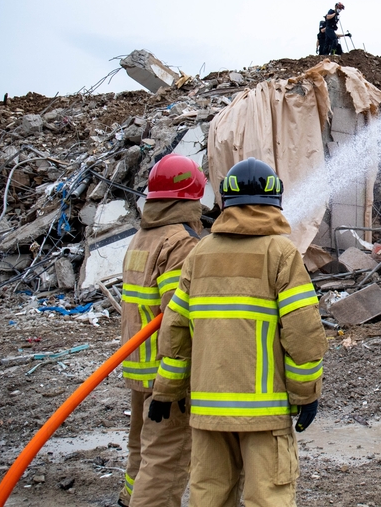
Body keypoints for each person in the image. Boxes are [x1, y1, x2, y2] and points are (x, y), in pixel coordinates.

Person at [151, 158, 327, 507]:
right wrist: (306, 395)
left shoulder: (200, 253)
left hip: (207, 412)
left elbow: (175, 331)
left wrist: (165, 390)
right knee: (268, 498)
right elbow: (303, 334)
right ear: (275, 200)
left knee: (209, 496)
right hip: (264, 413)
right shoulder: (281, 252)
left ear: (225, 202)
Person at [117, 154, 206, 507]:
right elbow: (180, 313)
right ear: (191, 195)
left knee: (142, 446)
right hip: (167, 368)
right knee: (167, 457)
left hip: (140, 364)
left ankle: (129, 498)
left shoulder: (143, 237)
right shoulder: (180, 242)